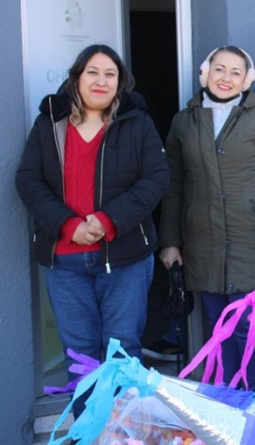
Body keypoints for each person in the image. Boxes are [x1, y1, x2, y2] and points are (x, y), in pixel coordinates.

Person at [15, 44, 170, 416]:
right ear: (77, 78)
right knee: (79, 355)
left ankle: (123, 433)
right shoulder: (50, 122)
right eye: (93, 72)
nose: (101, 81)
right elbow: (28, 179)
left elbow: (156, 178)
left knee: (122, 350)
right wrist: (68, 225)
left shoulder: (137, 122)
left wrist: (106, 220)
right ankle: (88, 431)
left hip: (125, 259)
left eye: (110, 74)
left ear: (120, 82)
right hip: (65, 261)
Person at [158, 46, 255, 388]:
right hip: (202, 240)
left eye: (236, 72)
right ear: (205, 73)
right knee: (217, 325)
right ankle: (228, 400)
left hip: (252, 239)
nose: (226, 78)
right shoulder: (183, 122)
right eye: (219, 69)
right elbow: (174, 185)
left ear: (246, 80)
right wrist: (170, 241)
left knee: (250, 325)